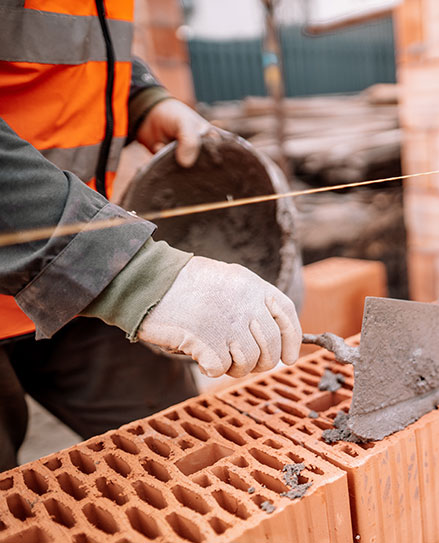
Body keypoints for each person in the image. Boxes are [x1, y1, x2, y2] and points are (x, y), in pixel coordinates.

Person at [0, 1, 302, 471]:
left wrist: (142, 100)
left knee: (193, 449)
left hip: (76, 282)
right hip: (80, 260)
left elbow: (68, 44)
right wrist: (137, 276)